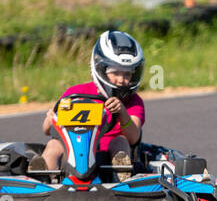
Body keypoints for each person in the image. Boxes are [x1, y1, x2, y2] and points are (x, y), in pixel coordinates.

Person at [29, 31, 146, 175]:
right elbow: (47, 131)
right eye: (116, 72)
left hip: (106, 159)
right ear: (100, 69)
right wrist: (50, 118)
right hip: (72, 155)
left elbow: (133, 137)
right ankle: (44, 177)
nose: (122, 80)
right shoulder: (75, 92)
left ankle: (121, 176)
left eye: (127, 74)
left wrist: (122, 112)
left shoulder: (133, 102)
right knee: (53, 145)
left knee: (120, 141)